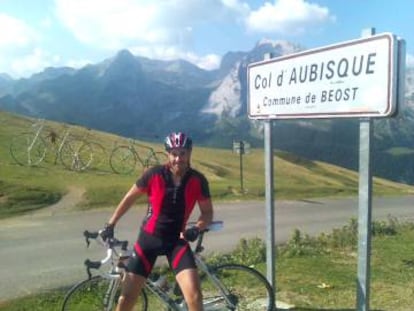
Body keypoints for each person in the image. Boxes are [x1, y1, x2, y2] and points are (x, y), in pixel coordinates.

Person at [102, 132, 214, 311]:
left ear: (190, 153)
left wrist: (197, 228)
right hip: (149, 239)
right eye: (174, 153)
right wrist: (111, 223)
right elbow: (129, 198)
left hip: (177, 241)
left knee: (195, 296)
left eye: (183, 153)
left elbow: (207, 212)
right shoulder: (153, 174)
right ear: (168, 154)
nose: (178, 158)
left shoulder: (198, 180)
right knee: (126, 299)